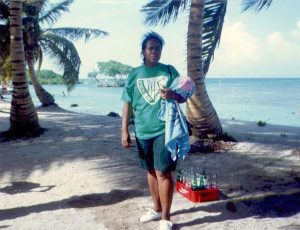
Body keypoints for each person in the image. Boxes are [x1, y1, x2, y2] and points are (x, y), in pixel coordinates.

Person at [121, 31, 185, 230]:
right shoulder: (134, 74)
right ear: (143, 51)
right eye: (151, 48)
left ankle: (166, 218)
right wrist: (124, 130)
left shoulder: (169, 71)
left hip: (164, 129)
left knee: (163, 172)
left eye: (158, 48)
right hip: (142, 130)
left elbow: (184, 96)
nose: (154, 51)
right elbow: (127, 105)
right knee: (150, 170)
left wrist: (173, 94)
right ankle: (156, 209)